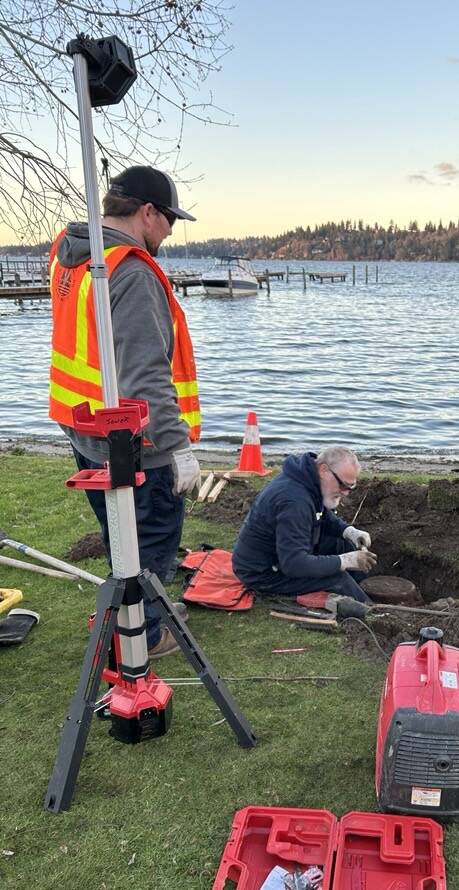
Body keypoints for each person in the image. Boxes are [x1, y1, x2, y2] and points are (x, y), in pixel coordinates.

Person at [48, 166, 202, 657]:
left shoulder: (73, 255)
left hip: (84, 430)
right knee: (152, 542)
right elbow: (146, 377)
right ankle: (144, 637)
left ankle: (131, 616)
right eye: (169, 220)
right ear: (147, 212)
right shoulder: (132, 272)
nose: (171, 232)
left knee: (121, 539)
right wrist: (178, 448)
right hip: (135, 446)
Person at [233, 447, 377, 602]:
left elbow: (321, 515)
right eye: (343, 485)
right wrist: (344, 561)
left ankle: (363, 591)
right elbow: (294, 564)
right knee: (338, 579)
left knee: (343, 544)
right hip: (263, 573)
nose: (345, 492)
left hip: (283, 556)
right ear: (324, 470)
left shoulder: (307, 479)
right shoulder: (294, 501)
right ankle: (372, 613)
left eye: (350, 488)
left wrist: (348, 531)